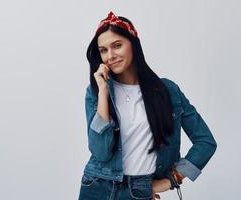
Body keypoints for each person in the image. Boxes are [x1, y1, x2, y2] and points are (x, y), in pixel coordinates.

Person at [78, 11, 217, 200]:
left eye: (117, 45)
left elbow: (206, 142)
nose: (110, 55)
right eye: (103, 50)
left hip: (141, 190)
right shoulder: (96, 92)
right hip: (96, 186)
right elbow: (100, 152)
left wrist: (172, 179)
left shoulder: (168, 90)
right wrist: (103, 93)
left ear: (133, 45)